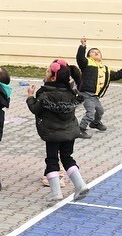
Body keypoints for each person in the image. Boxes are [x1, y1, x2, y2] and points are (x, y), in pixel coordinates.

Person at [27, 60, 90, 205]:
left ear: (53, 77)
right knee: (67, 157)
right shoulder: (71, 92)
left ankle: (55, 192)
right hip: (70, 132)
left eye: (48, 71)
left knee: (52, 160)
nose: (46, 72)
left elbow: (35, 109)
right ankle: (80, 185)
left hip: (52, 134)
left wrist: (30, 97)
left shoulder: (45, 94)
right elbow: (78, 94)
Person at [75, 38, 122, 138]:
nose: (96, 53)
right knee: (90, 112)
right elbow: (80, 58)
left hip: (94, 95)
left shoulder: (104, 68)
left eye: (98, 52)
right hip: (86, 93)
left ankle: (95, 123)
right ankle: (81, 129)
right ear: (89, 56)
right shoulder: (87, 63)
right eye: (93, 52)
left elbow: (115, 76)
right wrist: (83, 47)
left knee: (100, 111)